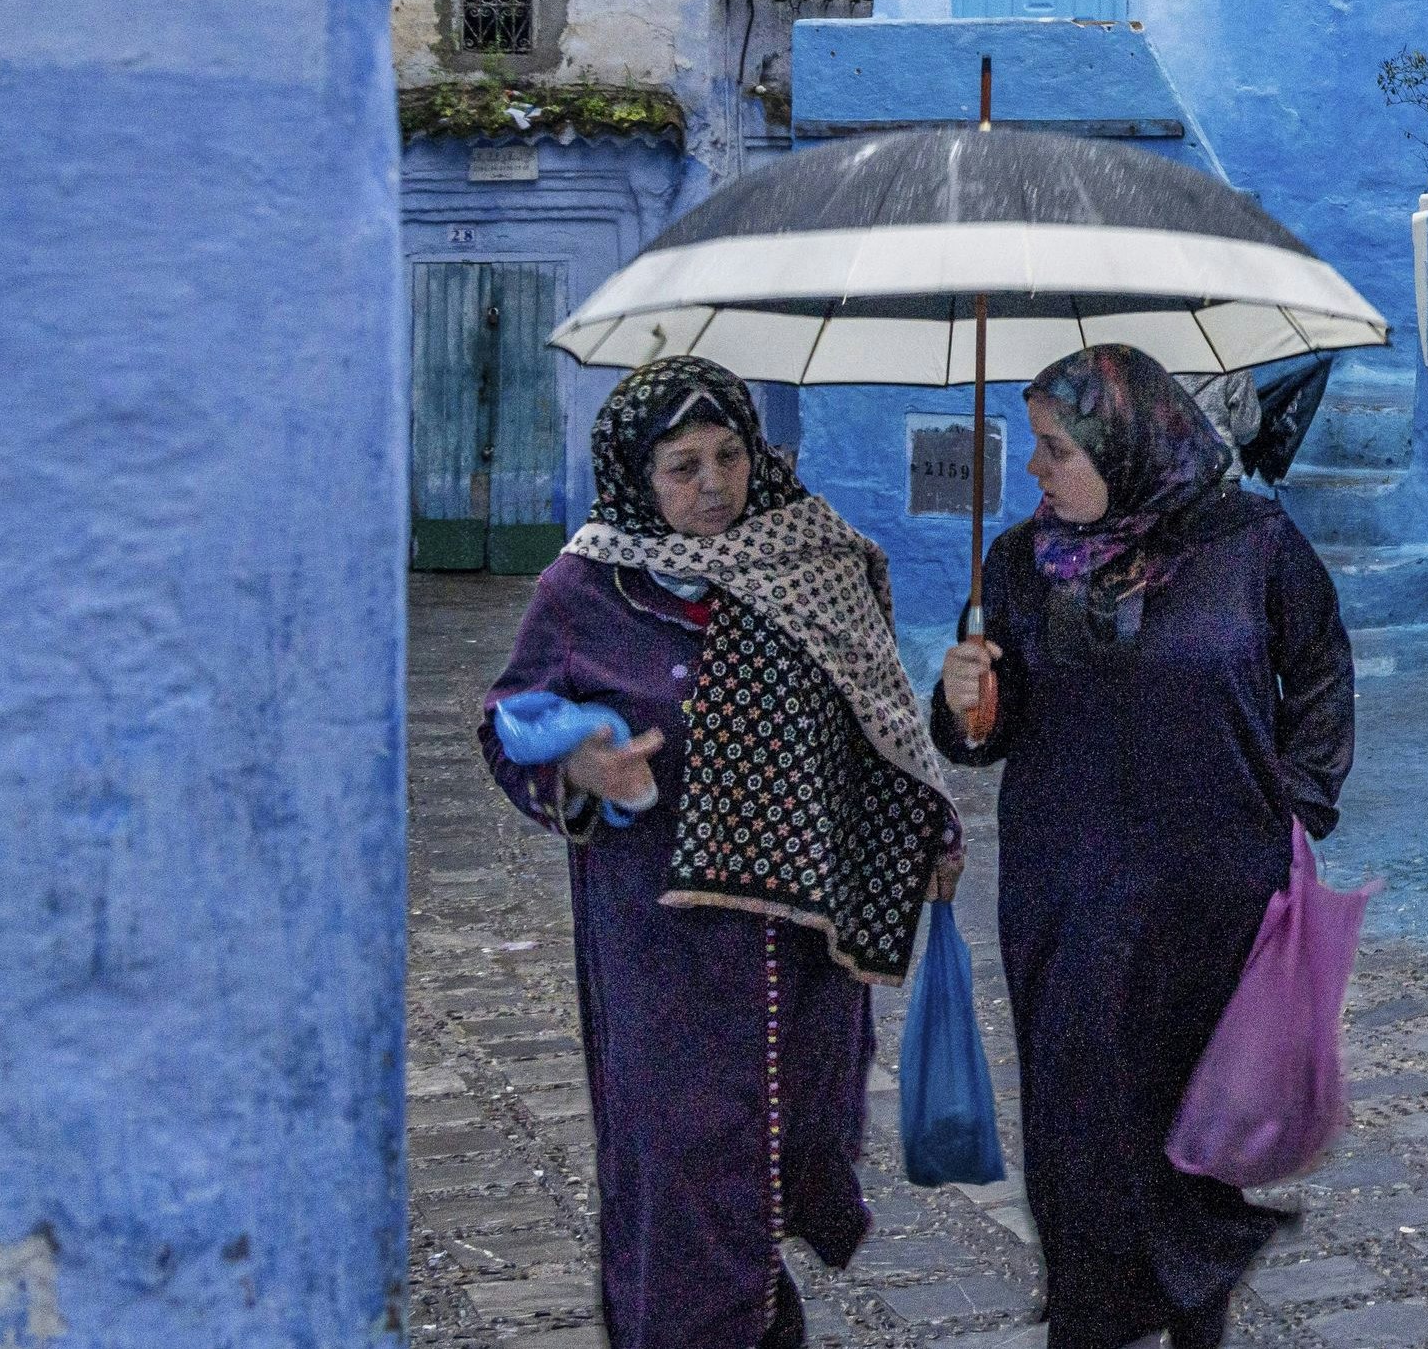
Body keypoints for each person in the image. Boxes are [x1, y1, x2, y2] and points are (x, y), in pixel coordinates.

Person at [482, 356, 959, 1349]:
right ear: (636, 477)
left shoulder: (817, 562)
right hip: (665, 944)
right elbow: (505, 724)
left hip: (802, 942)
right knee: (681, 1160)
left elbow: (878, 722)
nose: (712, 487)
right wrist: (580, 768)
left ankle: (760, 1315)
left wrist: (926, 826)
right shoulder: (588, 586)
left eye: (730, 456)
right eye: (683, 466)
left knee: (785, 1145)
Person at [932, 345, 1356, 1349]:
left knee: (1191, 1133)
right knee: (1079, 1135)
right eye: (1032, 448)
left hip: (1213, 898)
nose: (1034, 471)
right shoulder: (1014, 566)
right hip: (1067, 895)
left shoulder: (1252, 544)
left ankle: (1194, 1323)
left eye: (1054, 449)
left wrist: (1295, 810)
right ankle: (1086, 1323)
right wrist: (964, 709)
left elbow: (1322, 675)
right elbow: (979, 738)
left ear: (1126, 449)